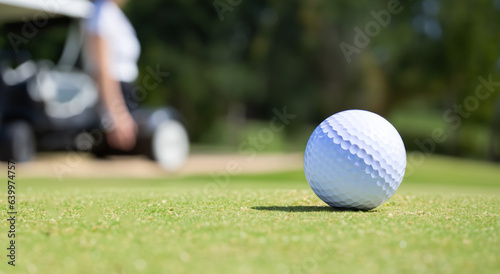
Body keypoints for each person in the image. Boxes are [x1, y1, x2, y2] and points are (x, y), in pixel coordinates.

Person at [84, 0, 140, 151]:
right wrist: (116, 115)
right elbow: (103, 69)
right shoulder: (102, 13)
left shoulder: (113, 13)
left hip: (124, 94)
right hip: (114, 94)